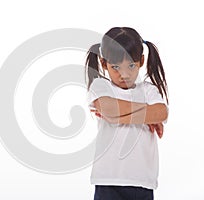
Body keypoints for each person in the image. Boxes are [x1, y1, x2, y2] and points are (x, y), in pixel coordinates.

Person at [85, 27, 169, 200]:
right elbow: (109, 108)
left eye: (131, 65)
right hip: (108, 179)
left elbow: (161, 113)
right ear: (103, 64)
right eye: (115, 67)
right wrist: (146, 115)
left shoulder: (148, 89)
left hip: (142, 181)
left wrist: (117, 115)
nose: (124, 74)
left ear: (141, 61)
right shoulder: (101, 86)